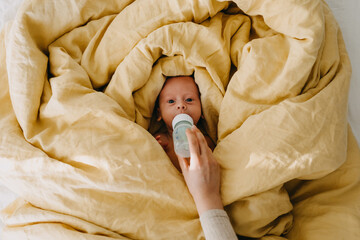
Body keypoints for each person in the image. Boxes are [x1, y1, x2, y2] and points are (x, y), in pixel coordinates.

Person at [153, 76, 238, 239]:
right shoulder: (162, 139)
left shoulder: (205, 140)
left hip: (202, 191)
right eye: (171, 101)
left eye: (190, 99)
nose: (181, 105)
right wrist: (162, 145)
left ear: (203, 111)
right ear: (159, 114)